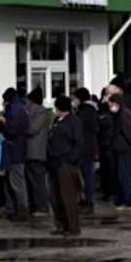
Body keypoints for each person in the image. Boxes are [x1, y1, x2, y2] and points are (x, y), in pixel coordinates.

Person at [46, 96, 85, 236]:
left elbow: (79, 143)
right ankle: (61, 225)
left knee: (67, 197)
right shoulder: (57, 121)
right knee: (56, 197)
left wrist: (69, 160)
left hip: (65, 164)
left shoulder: (73, 122)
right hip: (54, 163)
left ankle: (73, 226)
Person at [0, 88, 30, 221]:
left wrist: (2, 124)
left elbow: (10, 131)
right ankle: (17, 209)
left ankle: (21, 210)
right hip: (16, 150)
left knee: (16, 182)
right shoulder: (19, 109)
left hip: (14, 152)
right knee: (13, 182)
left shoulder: (14, 111)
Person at [108, 94, 131, 211]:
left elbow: (129, 132)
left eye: (111, 102)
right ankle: (121, 200)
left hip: (123, 149)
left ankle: (127, 201)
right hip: (120, 148)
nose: (110, 105)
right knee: (121, 176)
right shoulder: (120, 114)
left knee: (124, 176)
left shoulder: (124, 114)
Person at [24, 88, 52, 215]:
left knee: (38, 182)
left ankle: (41, 207)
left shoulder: (40, 113)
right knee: (32, 182)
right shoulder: (34, 113)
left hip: (37, 152)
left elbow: (32, 129)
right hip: (31, 153)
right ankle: (35, 206)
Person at [73, 88, 100, 213]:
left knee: (86, 176)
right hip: (90, 147)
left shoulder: (82, 112)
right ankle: (87, 201)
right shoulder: (93, 110)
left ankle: (87, 202)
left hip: (83, 148)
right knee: (87, 176)